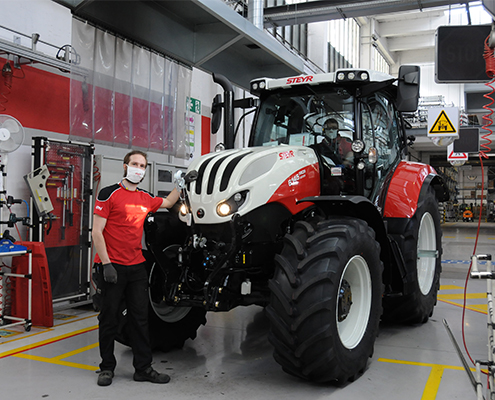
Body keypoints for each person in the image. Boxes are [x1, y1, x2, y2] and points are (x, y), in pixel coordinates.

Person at [92, 150, 180, 387]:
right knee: (109, 319)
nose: (138, 169)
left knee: (140, 320)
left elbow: (169, 202)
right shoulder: (109, 193)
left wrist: (182, 182)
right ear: (125, 166)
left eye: (142, 165)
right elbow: (96, 232)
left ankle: (143, 368)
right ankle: (107, 368)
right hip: (112, 268)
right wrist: (107, 264)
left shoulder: (145, 197)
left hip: (137, 268)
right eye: (134, 164)